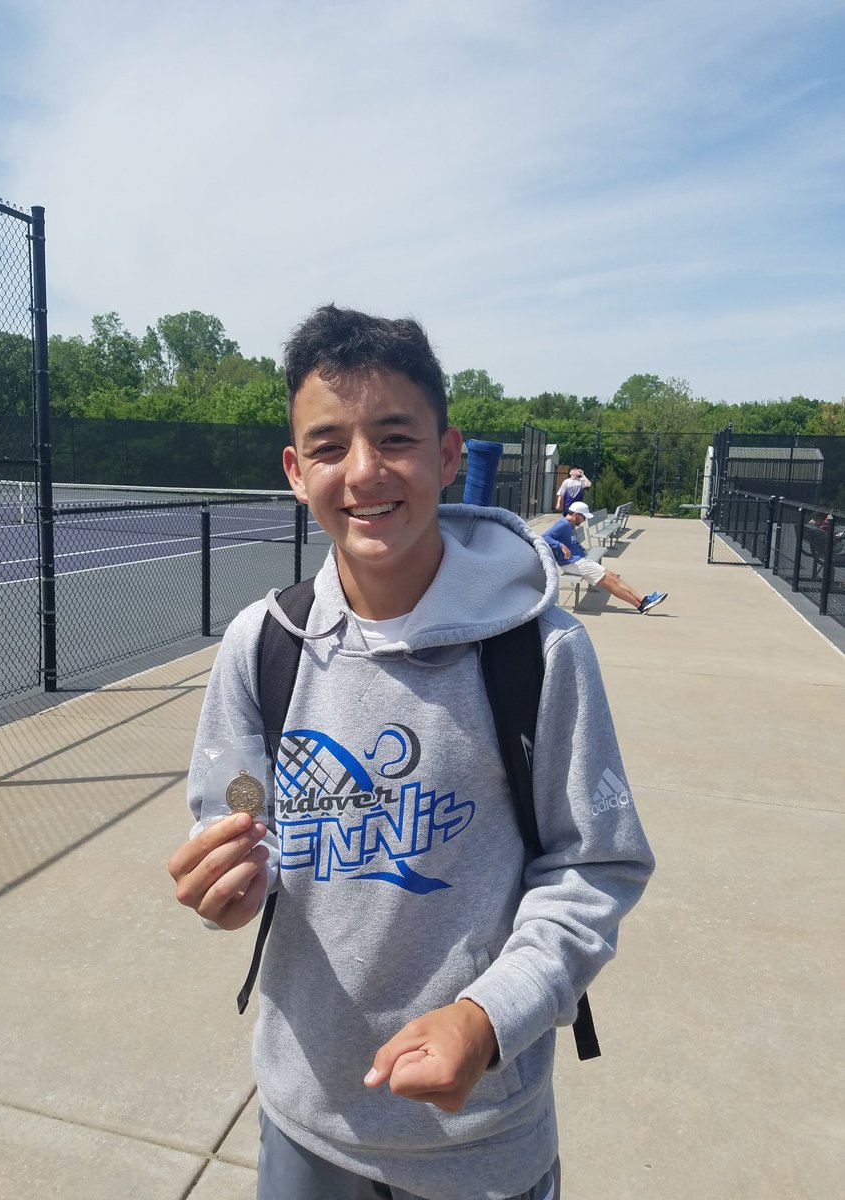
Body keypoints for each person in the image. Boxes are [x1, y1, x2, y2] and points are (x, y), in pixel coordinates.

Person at [168, 304, 655, 1200]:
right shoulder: (260, 645)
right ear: (295, 471)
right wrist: (229, 881)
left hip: (481, 1144)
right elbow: (236, 813)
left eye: (395, 437)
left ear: (446, 454)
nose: (363, 471)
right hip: (307, 1121)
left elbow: (596, 865)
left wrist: (489, 1018)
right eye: (329, 446)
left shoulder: (540, 651)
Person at [543, 501, 668, 614]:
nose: (584, 521)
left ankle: (644, 599)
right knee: (609, 583)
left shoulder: (569, 525)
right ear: (576, 515)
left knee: (613, 577)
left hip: (579, 560)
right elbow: (544, 537)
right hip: (573, 563)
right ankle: (640, 605)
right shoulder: (563, 524)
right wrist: (561, 546)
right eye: (583, 517)